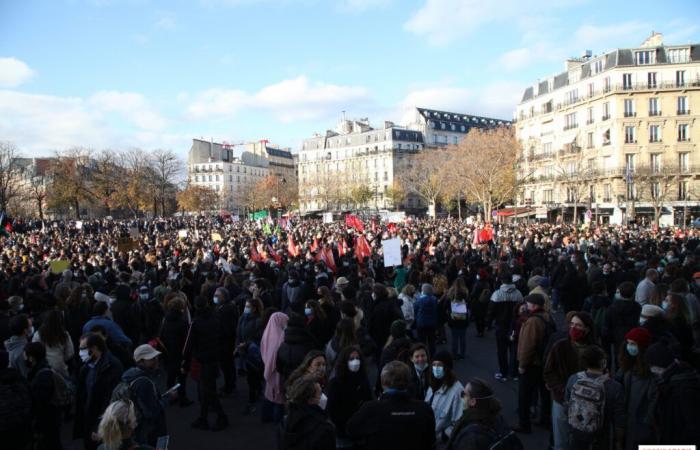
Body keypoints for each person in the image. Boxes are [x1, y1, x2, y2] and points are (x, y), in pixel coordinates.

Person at [346, 361, 436, 450]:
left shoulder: (371, 409)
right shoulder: (424, 409)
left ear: (382, 382)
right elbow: (431, 442)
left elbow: (351, 430)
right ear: (409, 381)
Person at [543, 311, 597, 450]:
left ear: (587, 329)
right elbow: (549, 371)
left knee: (582, 441)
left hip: (586, 401)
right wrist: (561, 389)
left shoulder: (595, 349)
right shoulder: (560, 346)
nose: (573, 328)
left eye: (578, 325)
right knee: (561, 441)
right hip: (562, 399)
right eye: (572, 324)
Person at [564, 345, 625, 450]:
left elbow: (566, 406)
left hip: (576, 433)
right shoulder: (614, 387)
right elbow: (619, 419)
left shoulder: (573, 379)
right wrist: (619, 442)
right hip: (600, 436)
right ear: (603, 362)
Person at [182, 296, 228, 432]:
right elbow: (223, 335)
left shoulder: (195, 323)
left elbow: (187, 346)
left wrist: (185, 360)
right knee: (207, 390)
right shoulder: (215, 319)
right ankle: (203, 418)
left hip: (202, 359)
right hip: (213, 357)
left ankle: (221, 417)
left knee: (207, 391)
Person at [74, 332, 124, 450]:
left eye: (83, 349)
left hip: (102, 423)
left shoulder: (113, 366)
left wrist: (100, 426)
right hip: (88, 420)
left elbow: (110, 400)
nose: (80, 352)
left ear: (94, 348)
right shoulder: (86, 367)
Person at [644, 342, 700, 446]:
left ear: (660, 364)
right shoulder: (670, 382)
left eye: (652, 365)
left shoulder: (683, 388)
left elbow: (693, 427)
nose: (651, 369)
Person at [514, 294, 552, 434]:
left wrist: (522, 364)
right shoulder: (547, 316)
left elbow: (527, 345)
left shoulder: (533, 321)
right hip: (543, 361)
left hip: (532, 363)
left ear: (534, 305)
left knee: (524, 395)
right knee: (544, 393)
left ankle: (524, 423)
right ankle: (545, 419)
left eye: (528, 304)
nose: (525, 306)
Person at [119, 344, 170, 446]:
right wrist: (166, 399)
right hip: (148, 432)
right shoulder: (143, 382)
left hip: (138, 429)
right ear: (140, 361)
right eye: (151, 358)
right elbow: (151, 412)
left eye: (156, 357)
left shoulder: (131, 376)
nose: (156, 360)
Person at [615, 327, 657, 450]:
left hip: (641, 427)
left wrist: (647, 421)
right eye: (628, 343)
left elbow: (653, 400)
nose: (629, 347)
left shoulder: (650, 372)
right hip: (626, 422)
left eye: (633, 344)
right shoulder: (626, 365)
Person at [447, 378, 518, 450]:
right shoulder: (498, 418)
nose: (462, 397)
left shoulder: (471, 436)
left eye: (464, 394)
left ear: (472, 401)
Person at [326, 345, 373, 449]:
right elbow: (332, 409)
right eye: (351, 359)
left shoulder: (363, 380)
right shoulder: (335, 383)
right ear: (344, 361)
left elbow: (369, 402)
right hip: (343, 434)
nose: (355, 362)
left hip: (361, 433)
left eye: (357, 358)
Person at [24, 341, 62, 450]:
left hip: (47, 420)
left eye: (25, 355)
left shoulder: (41, 376)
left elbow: (40, 403)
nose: (24, 358)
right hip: (52, 418)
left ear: (31, 358)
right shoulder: (43, 369)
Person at [281, 376, 336, 450]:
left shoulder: (286, 421)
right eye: (320, 394)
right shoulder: (324, 429)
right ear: (310, 400)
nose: (323, 397)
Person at [488, 272, 523, 382]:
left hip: (501, 326)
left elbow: (491, 311)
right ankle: (514, 373)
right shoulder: (518, 294)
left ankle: (503, 372)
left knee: (501, 350)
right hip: (516, 326)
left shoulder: (496, 294)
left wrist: (488, 323)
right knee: (514, 350)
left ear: (502, 281)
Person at [159, 297, 192, 407]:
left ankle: (171, 397)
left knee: (170, 377)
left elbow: (161, 336)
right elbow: (187, 339)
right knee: (181, 377)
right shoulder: (182, 322)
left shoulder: (165, 320)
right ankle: (182, 398)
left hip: (168, 352)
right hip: (180, 353)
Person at [425, 350, 464, 443]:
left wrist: (442, 437)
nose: (436, 368)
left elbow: (459, 422)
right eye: (434, 365)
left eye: (439, 365)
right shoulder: (432, 385)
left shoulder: (457, 391)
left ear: (447, 367)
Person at [261, 311, 289, 423]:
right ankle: (277, 420)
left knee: (269, 394)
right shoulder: (281, 337)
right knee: (278, 397)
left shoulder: (267, 332)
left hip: (268, 367)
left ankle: (266, 417)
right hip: (277, 371)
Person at [276, 313, 319, 384]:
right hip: (306, 382)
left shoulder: (283, 345)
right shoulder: (310, 343)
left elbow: (279, 367)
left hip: (288, 381)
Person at [33, 309, 74, 378]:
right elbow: (70, 353)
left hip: (43, 367)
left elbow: (34, 349)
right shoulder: (64, 334)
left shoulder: (38, 334)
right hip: (59, 366)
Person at [214, 287, 239, 396]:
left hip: (225, 343)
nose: (215, 297)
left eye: (217, 295)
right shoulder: (225, 307)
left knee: (227, 365)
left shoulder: (226, 310)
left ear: (224, 297)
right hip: (226, 341)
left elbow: (227, 328)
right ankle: (230, 384)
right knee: (228, 365)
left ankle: (229, 387)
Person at [446, 278, 469, 360]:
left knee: (454, 337)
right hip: (463, 318)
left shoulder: (451, 293)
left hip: (453, 318)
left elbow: (446, 306)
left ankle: (454, 354)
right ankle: (462, 354)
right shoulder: (465, 293)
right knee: (462, 337)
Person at [4, 313, 32, 378]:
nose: (31, 328)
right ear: (25, 331)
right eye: (30, 326)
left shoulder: (10, 343)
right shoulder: (23, 352)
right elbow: (26, 376)